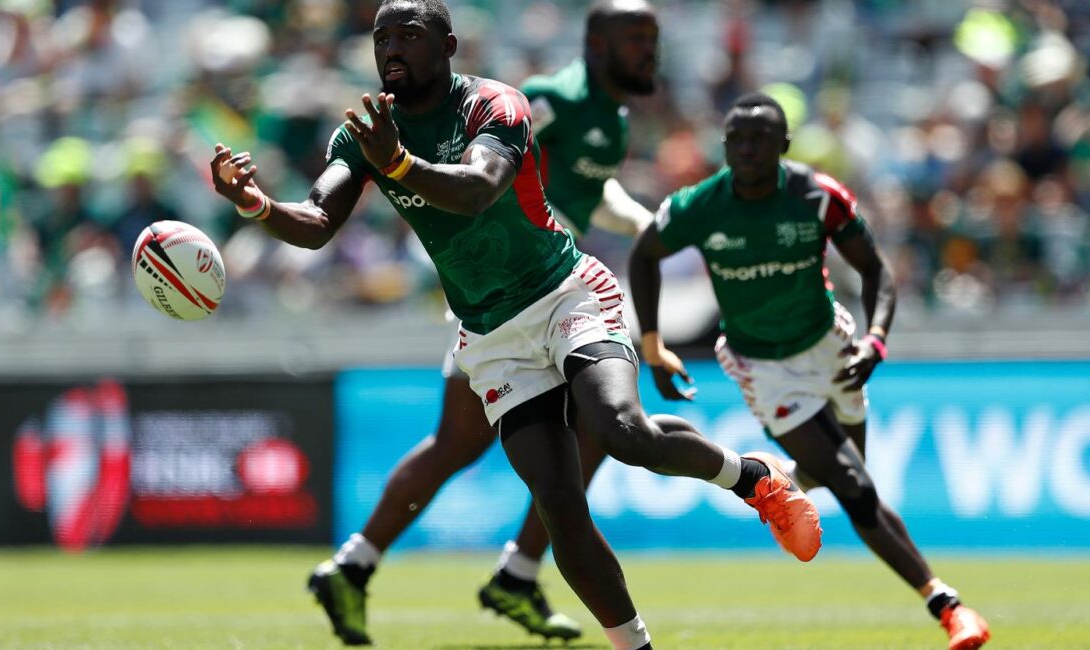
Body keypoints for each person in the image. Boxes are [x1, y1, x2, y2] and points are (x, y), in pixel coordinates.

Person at [209, 3, 822, 649]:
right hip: (493, 338)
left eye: (408, 36)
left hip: (565, 296)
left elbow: (480, 187)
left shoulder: (494, 105)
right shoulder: (363, 136)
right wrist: (255, 203)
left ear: (448, 45)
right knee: (560, 506)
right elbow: (314, 224)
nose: (391, 48)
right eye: (381, 37)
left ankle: (754, 479)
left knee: (621, 432)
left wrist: (396, 165)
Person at [318, 0, 666, 643]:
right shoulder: (551, 98)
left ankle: (493, 570)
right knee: (473, 441)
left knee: (563, 435)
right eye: (636, 38)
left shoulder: (613, 121)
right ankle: (392, 564)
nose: (650, 50)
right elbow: (502, 160)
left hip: (543, 286)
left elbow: (586, 197)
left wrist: (646, 224)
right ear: (597, 46)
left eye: (653, 37)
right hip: (503, 289)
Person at [628, 92, 991, 650]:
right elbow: (644, 255)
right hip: (764, 367)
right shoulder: (699, 206)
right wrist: (652, 347)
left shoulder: (818, 198)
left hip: (832, 348)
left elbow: (877, 272)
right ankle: (949, 606)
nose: (747, 150)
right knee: (855, 486)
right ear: (724, 146)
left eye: (760, 140)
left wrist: (876, 339)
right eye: (737, 140)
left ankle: (777, 477)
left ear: (784, 147)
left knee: (851, 473)